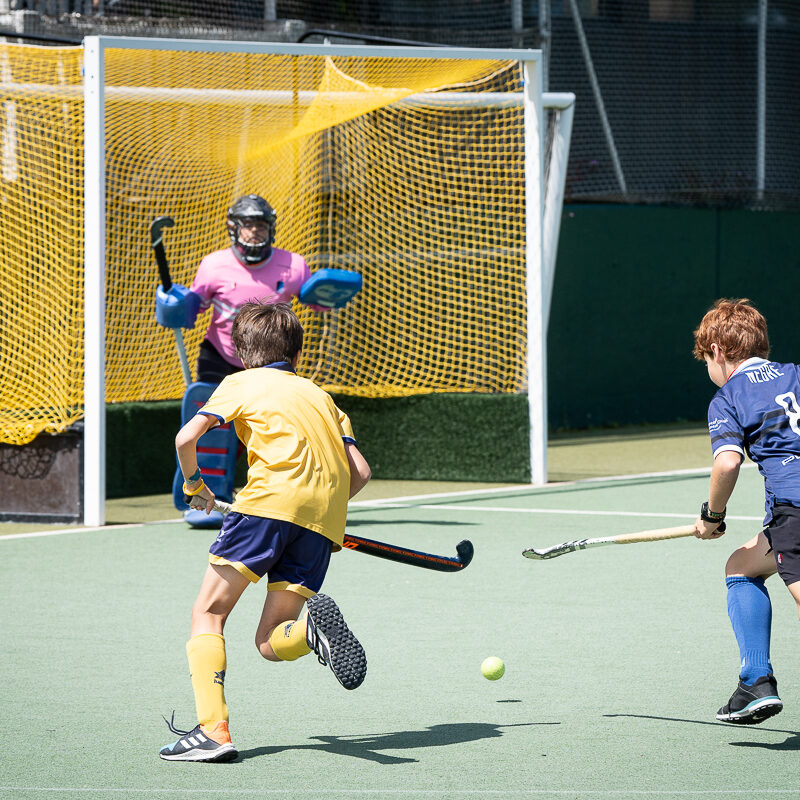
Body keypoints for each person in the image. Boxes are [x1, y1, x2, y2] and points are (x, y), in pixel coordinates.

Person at [159, 302, 372, 762]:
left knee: (208, 614)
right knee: (270, 641)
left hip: (265, 507)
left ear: (241, 352)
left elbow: (185, 438)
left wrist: (195, 485)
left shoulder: (240, 382)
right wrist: (319, 512)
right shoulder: (324, 399)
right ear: (297, 352)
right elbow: (360, 472)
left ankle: (213, 732)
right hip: (321, 522)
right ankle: (309, 630)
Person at [692, 298, 800, 725]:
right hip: (788, 519)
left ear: (717, 351)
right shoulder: (795, 373)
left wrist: (712, 515)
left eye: (706, 360)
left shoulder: (728, 397)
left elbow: (727, 463)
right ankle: (755, 681)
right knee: (741, 566)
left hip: (795, 509)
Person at [191, 193, 324, 383]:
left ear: (270, 228)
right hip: (221, 355)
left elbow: (316, 302)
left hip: (272, 356)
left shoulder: (294, 264)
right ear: (234, 228)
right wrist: (177, 306)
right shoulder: (213, 264)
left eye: (260, 225)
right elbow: (194, 307)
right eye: (248, 225)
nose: (254, 230)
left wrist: (329, 296)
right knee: (209, 401)